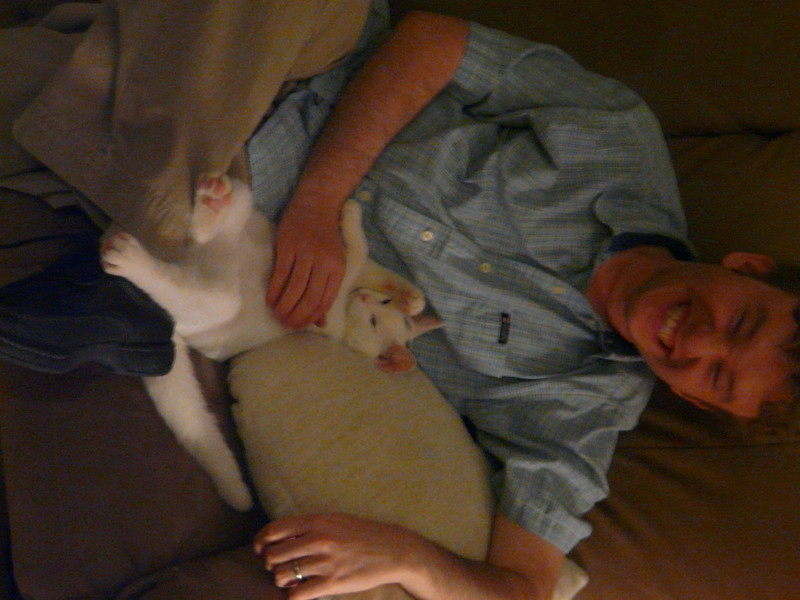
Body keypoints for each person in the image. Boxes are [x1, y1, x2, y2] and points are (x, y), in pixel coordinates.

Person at [0, 3, 797, 600]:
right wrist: (321, 201)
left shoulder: (576, 407)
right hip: (306, 64)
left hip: (225, 199)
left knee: (53, 90)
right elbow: (434, 41)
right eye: (742, 320)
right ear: (749, 266)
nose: (698, 342)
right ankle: (132, 254)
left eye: (717, 377)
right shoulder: (620, 139)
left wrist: (407, 558)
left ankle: (131, 224)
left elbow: (522, 589)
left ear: (701, 403)